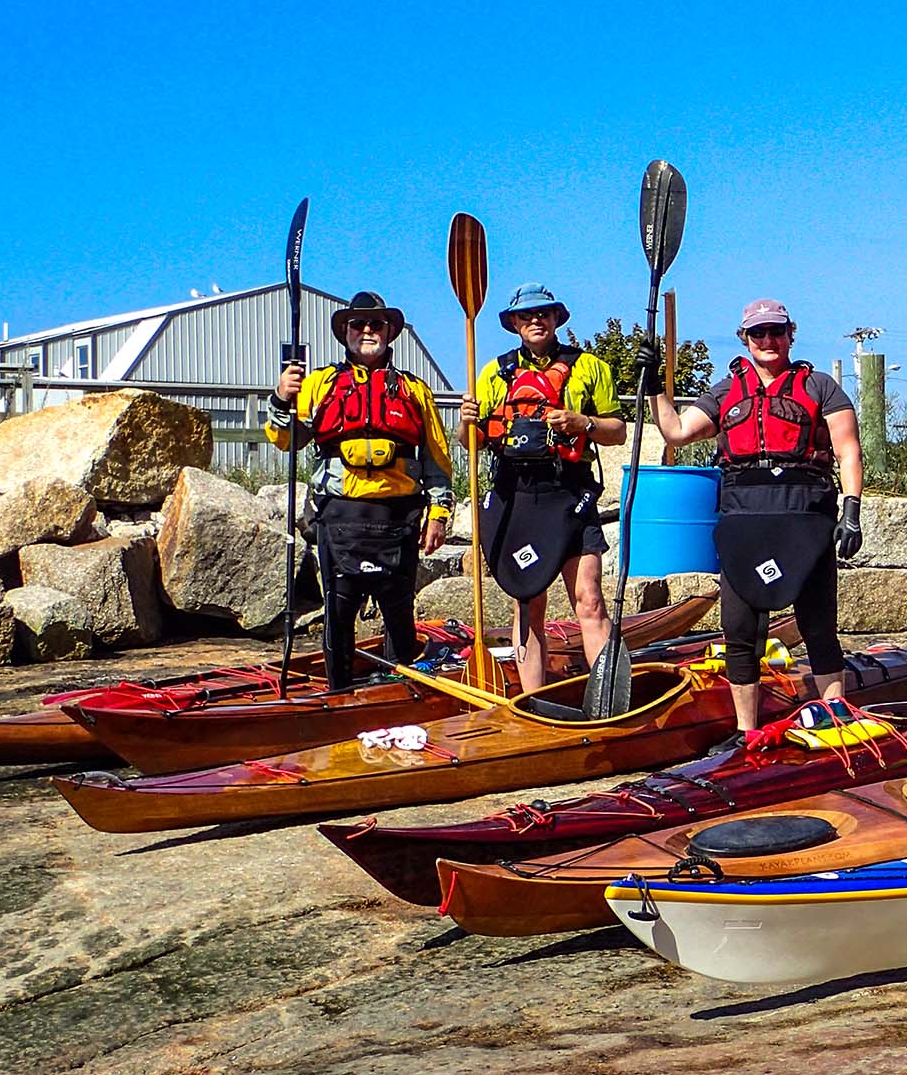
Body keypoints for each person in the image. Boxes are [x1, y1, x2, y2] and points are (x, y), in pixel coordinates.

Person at [644, 299, 863, 751]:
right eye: (758, 333)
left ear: (791, 334)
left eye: (776, 332)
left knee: (818, 624)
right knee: (741, 629)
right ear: (745, 339)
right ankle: (747, 732)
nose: (768, 340)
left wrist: (852, 509)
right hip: (744, 515)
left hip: (805, 513)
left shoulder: (820, 387)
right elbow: (677, 432)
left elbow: (847, 449)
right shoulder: (726, 392)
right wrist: (652, 388)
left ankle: (834, 720)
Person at [267, 290, 452, 689]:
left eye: (376, 324)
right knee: (337, 614)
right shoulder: (318, 384)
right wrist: (282, 397)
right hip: (339, 518)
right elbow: (286, 440)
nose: (366, 330)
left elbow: (437, 460)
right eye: (358, 324)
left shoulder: (415, 390)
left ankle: (405, 688)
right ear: (346, 333)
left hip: (398, 520)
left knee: (400, 613)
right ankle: (339, 692)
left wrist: (438, 514)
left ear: (389, 332)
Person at [461, 284, 627, 691]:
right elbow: (473, 442)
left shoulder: (591, 367)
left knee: (588, 597)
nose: (536, 321)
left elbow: (618, 431)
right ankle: (532, 702)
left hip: (569, 491)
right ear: (515, 323)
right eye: (527, 316)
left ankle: (605, 700)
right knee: (528, 602)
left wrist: (582, 423)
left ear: (556, 319)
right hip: (515, 494)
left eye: (544, 314)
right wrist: (466, 423)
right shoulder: (492, 373)